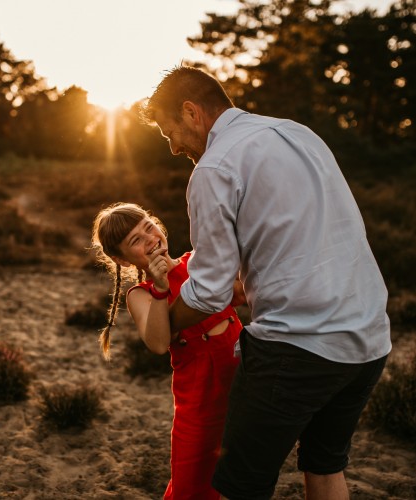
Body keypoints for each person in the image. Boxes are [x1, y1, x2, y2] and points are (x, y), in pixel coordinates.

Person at [141, 66, 392, 500]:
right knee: (325, 467)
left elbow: (209, 292)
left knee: (241, 486)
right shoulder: (298, 133)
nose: (174, 148)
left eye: (170, 133)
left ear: (190, 111)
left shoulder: (214, 167)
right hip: (369, 338)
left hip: (297, 347)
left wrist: (165, 318)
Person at [91, 202, 243, 500]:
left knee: (239, 475)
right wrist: (161, 286)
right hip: (199, 398)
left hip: (241, 377)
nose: (149, 238)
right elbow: (159, 342)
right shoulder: (141, 294)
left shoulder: (198, 263)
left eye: (149, 226)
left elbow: (241, 292)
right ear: (120, 259)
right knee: (192, 484)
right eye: (135, 240)